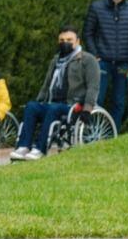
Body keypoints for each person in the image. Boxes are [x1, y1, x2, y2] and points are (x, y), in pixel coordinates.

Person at [12, 27, 100, 161]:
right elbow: (46, 84)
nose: (65, 42)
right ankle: (23, 146)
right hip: (53, 103)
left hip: (73, 105)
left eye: (69, 40)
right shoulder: (56, 60)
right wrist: (39, 101)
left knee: (54, 108)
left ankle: (40, 149)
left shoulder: (88, 60)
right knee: (31, 106)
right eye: (62, 40)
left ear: (77, 41)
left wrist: (87, 108)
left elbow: (93, 87)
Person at [83, 0, 128, 129]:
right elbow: (88, 33)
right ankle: (92, 133)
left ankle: (111, 136)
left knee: (119, 102)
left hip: (123, 65)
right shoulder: (96, 7)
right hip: (102, 63)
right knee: (97, 99)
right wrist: (95, 55)